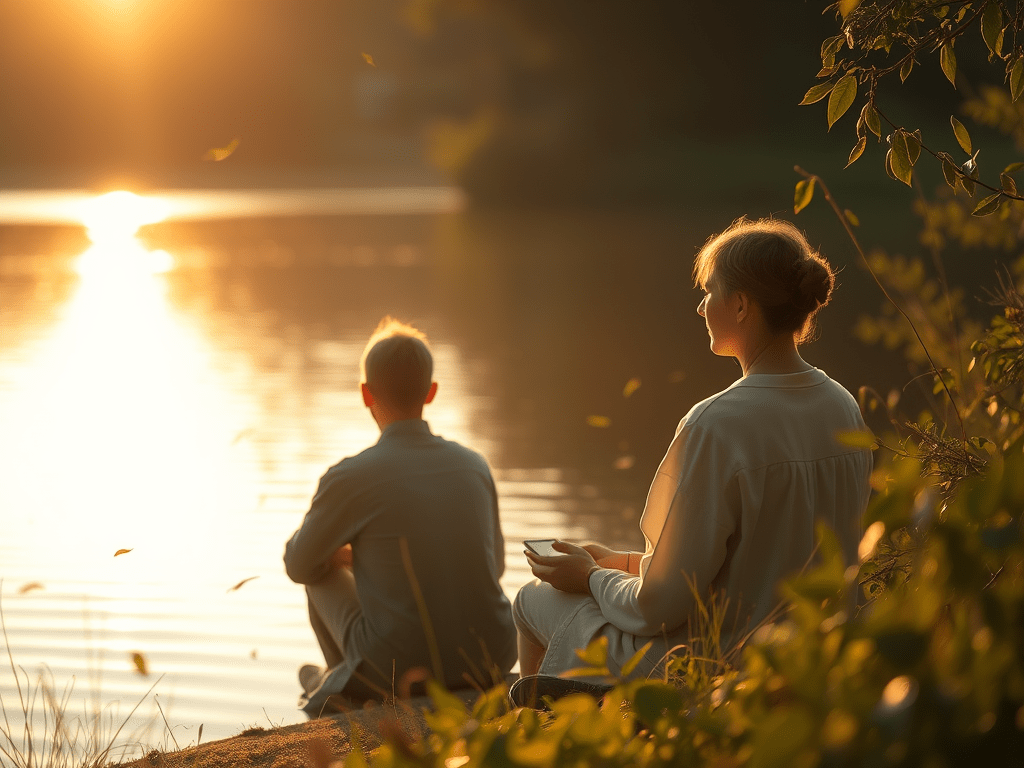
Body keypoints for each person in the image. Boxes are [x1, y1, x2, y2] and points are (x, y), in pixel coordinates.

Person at [514, 218, 873, 686]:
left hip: (713, 670)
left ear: (741, 304)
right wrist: (621, 562)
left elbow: (659, 608)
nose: (702, 307)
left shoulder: (717, 425)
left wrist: (588, 578)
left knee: (531, 600)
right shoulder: (844, 407)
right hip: (812, 659)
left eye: (710, 291)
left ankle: (542, 731)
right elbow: (753, 560)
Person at [284, 317, 516, 716]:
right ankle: (334, 677)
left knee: (317, 572)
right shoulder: (473, 465)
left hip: (397, 669)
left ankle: (344, 683)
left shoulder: (349, 477)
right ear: (432, 392)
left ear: (365, 395)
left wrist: (345, 555)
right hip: (491, 656)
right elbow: (493, 567)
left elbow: (297, 564)